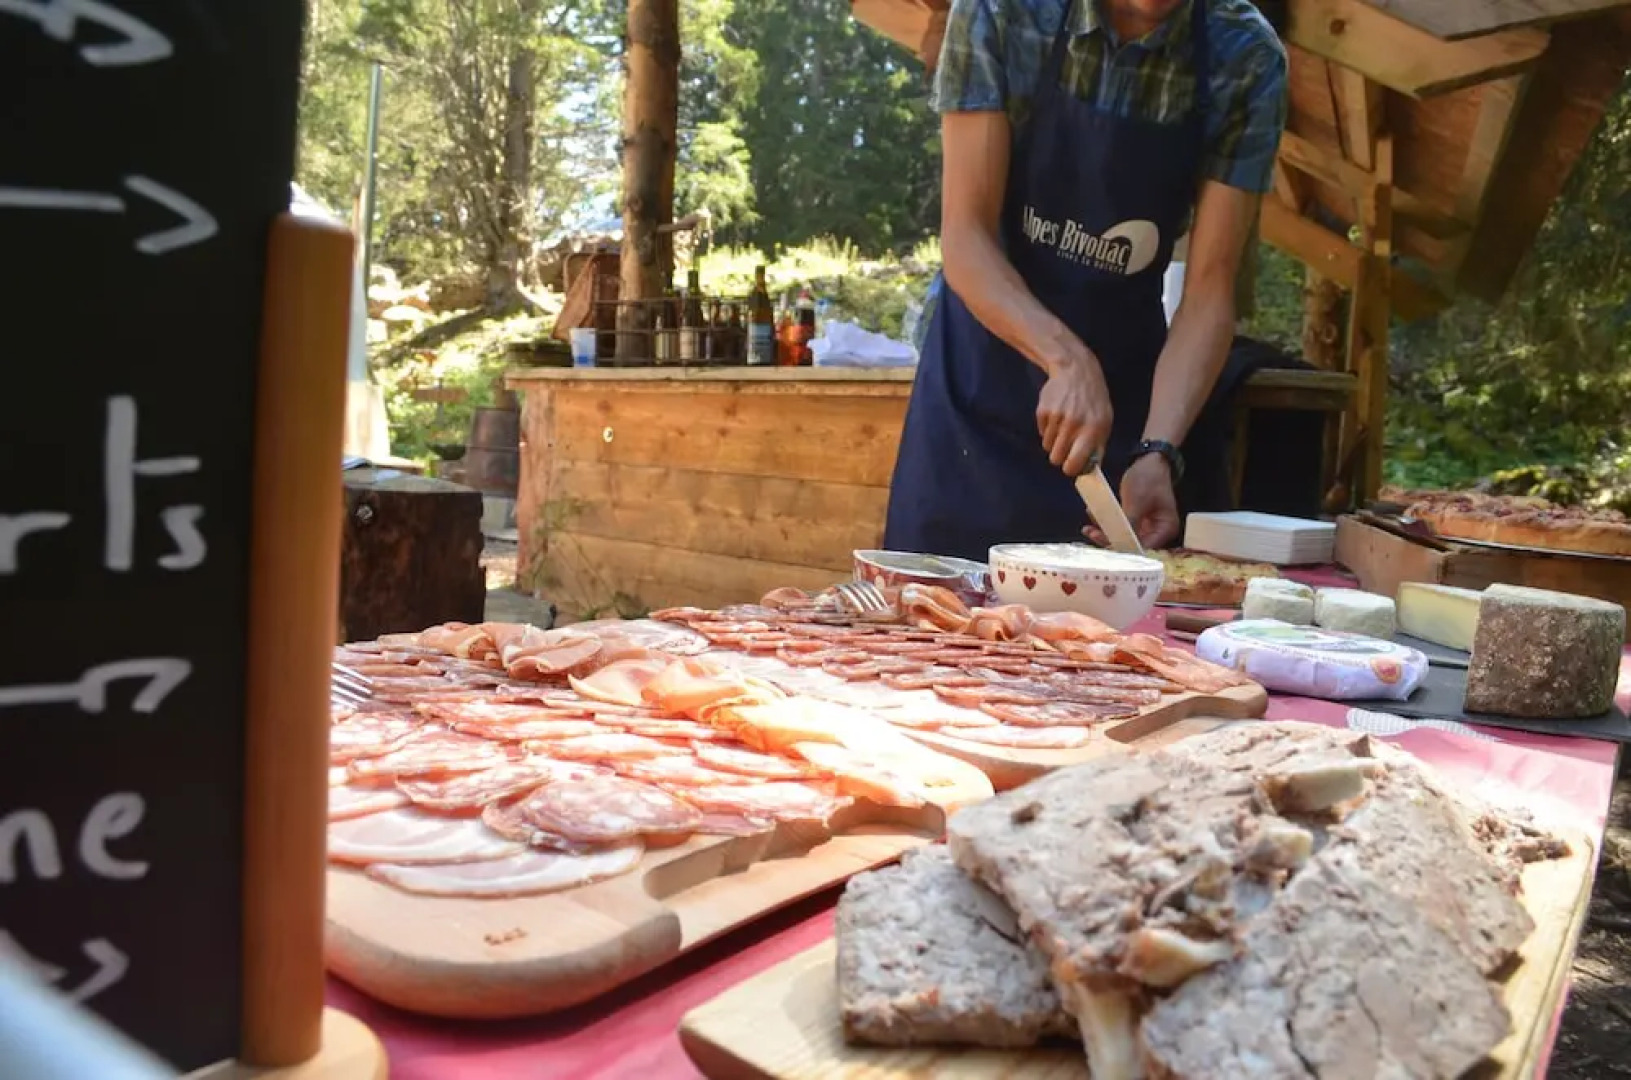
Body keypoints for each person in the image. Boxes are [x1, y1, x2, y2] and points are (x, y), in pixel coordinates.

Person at [884, 0, 1289, 561]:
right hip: (974, 403)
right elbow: (966, 238)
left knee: (1103, 643)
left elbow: (1209, 292)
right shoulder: (1001, 11)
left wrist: (1158, 448)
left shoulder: (1246, 55)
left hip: (1117, 421)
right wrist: (1066, 360)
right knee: (938, 633)